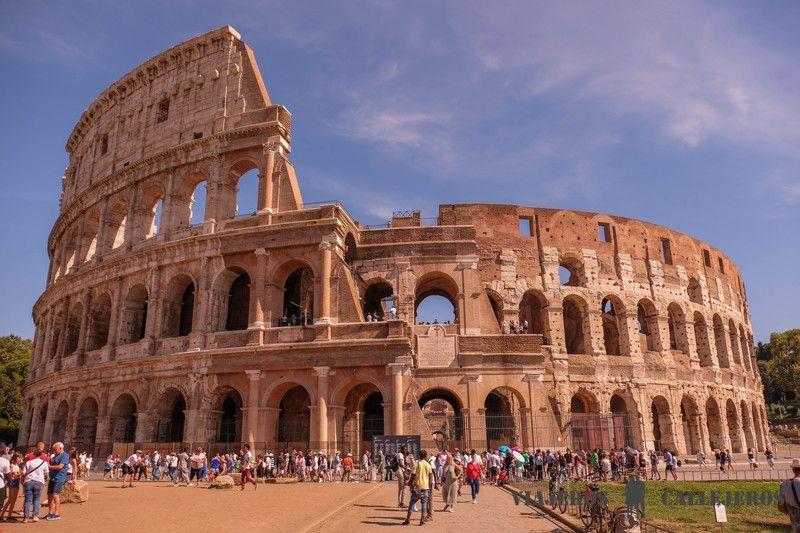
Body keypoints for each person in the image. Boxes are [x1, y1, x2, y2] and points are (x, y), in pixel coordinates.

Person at [401, 450, 432, 526]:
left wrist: (409, 482)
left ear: (419, 455)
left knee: (412, 502)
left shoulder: (417, 463)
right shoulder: (428, 465)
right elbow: (430, 478)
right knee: (424, 504)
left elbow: (413, 475)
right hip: (425, 487)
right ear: (425, 456)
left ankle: (407, 520)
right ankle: (422, 520)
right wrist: (430, 489)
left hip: (417, 487)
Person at [22, 449, 49, 523]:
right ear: (41, 455)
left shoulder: (28, 462)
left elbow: (23, 473)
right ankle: (35, 516)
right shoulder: (44, 462)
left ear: (34, 454)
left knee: (28, 500)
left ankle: (26, 518)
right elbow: (47, 474)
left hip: (28, 481)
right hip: (39, 481)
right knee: (36, 500)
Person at [46, 442, 70, 521]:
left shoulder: (65, 456)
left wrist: (49, 466)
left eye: (55, 450)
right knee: (49, 495)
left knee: (55, 495)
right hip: (52, 477)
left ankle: (57, 513)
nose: (54, 451)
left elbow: (60, 467)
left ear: (61, 448)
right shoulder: (55, 456)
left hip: (59, 478)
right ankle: (50, 512)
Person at [777, 458, 800, 533]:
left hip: (796, 525)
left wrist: (793, 513)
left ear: (793, 470)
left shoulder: (784, 484)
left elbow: (780, 507)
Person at [1, 452, 22, 521]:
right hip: (13, 483)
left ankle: (8, 515)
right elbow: (12, 475)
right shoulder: (12, 465)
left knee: (13, 500)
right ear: (15, 458)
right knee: (10, 500)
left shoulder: (16, 465)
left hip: (16, 482)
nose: (19, 459)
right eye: (18, 458)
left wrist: (18, 474)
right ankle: (4, 515)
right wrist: (19, 474)